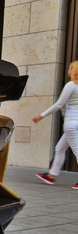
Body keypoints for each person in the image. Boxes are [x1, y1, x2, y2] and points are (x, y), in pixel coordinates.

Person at [33, 61, 78, 190]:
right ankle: (51, 176)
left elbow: (58, 104)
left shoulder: (71, 85)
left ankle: (52, 175)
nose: (68, 70)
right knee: (59, 148)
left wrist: (41, 116)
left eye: (70, 68)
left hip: (71, 123)